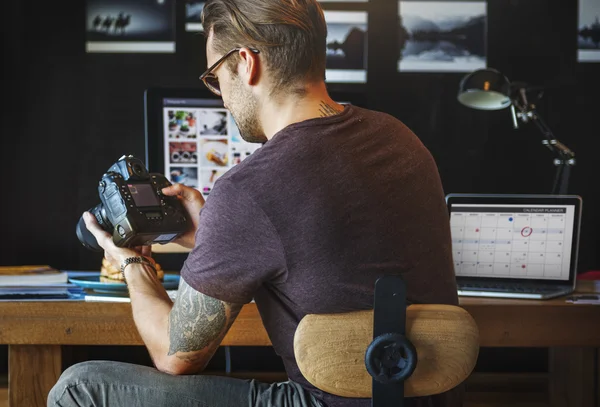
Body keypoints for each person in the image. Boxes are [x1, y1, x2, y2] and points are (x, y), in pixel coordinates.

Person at [48, 0, 461, 406]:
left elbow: (174, 356)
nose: (221, 97)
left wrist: (130, 262)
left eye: (216, 76)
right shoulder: (401, 140)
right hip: (434, 399)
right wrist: (215, 234)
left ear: (246, 63)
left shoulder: (250, 188)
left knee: (78, 387)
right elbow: (337, 262)